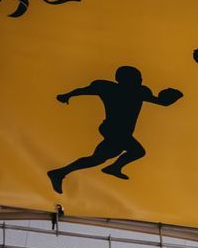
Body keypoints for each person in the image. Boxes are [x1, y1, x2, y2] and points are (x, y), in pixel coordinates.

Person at [48, 66, 183, 192]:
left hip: (119, 131)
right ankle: (114, 167)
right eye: (137, 78)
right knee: (137, 151)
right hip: (113, 129)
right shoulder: (111, 88)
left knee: (97, 159)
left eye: (140, 78)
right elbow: (84, 90)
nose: (140, 80)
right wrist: (67, 95)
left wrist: (172, 96)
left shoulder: (139, 91)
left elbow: (161, 102)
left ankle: (60, 172)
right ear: (123, 79)